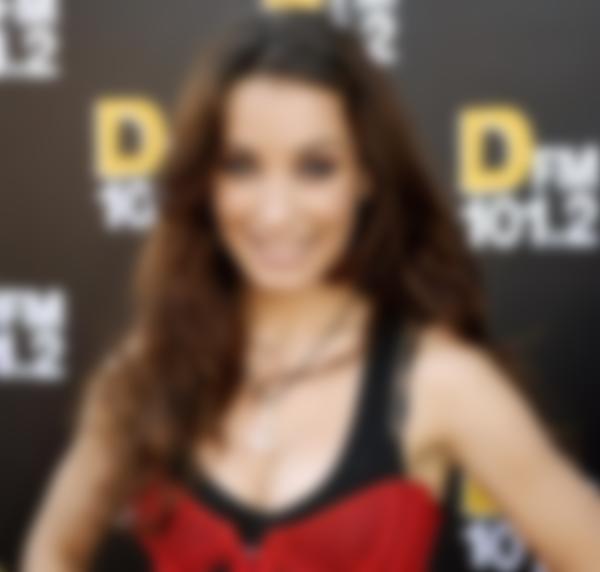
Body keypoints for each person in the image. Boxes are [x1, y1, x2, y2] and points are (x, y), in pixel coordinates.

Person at [21, 11, 600, 572]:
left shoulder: (439, 381)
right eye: (241, 165)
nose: (275, 212)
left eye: (315, 168)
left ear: (366, 176)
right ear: (206, 180)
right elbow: (52, 552)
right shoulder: (149, 371)